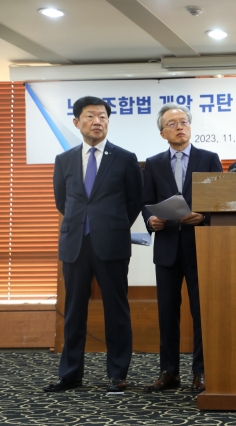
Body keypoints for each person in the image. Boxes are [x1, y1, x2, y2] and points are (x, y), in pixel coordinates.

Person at [46, 96, 143, 393]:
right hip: (75, 244)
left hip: (111, 243)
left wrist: (111, 226)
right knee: (74, 310)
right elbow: (62, 200)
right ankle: (70, 374)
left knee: (116, 309)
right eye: (90, 116)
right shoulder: (64, 160)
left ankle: (118, 374)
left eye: (102, 116)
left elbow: (134, 201)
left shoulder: (125, 158)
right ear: (77, 123)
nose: (97, 121)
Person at [142, 103, 222, 392]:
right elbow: (145, 202)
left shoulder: (209, 158)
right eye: (172, 123)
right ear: (163, 133)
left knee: (202, 313)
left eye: (183, 121)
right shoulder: (153, 163)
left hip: (200, 246)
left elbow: (221, 201)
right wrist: (151, 220)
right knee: (167, 313)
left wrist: (205, 216)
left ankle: (201, 373)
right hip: (166, 249)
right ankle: (169, 372)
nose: (179, 126)